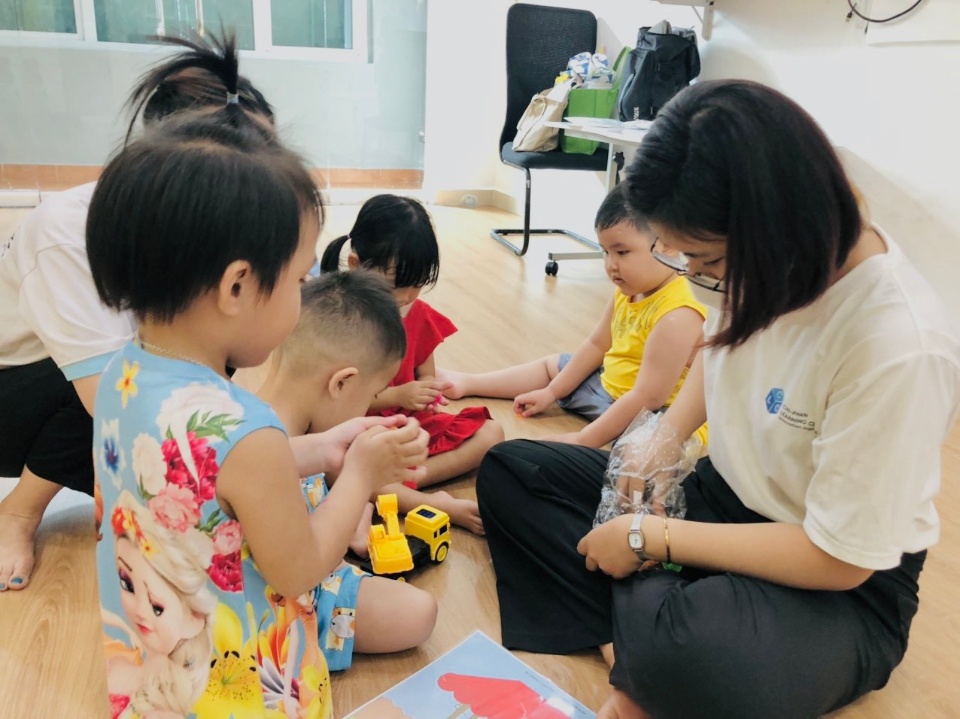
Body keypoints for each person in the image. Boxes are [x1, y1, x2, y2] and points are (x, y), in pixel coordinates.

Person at [476, 79, 960, 719]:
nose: (699, 277)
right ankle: (640, 645)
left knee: (698, 655)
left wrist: (649, 538)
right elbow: (722, 347)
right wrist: (663, 437)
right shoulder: (774, 262)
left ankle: (639, 640)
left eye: (705, 261)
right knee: (515, 469)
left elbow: (840, 560)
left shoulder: (898, 345)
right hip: (717, 499)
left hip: (834, 581)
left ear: (771, 231)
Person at [87, 48, 435, 718]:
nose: (303, 296)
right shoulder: (248, 428)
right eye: (300, 278)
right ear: (238, 287)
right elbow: (299, 567)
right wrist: (359, 476)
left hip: (159, 680)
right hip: (244, 692)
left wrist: (324, 449)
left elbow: (196, 478)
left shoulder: (122, 374)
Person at [0, 35, 273, 593]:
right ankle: (19, 511)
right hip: (21, 390)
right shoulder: (65, 232)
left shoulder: (197, 232)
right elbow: (114, 402)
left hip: (88, 382)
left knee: (194, 347)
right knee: (127, 385)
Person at [439, 184, 708, 449]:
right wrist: (552, 392)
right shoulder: (630, 288)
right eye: (605, 252)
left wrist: (584, 439)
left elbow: (648, 397)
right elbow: (597, 344)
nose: (611, 265)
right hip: (606, 389)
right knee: (553, 365)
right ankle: (470, 382)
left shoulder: (679, 313)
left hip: (648, 414)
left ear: (668, 244)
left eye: (622, 252)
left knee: (648, 447)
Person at [320, 194, 503, 535]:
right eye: (396, 286)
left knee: (491, 433)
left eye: (417, 285)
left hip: (408, 429)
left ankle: (397, 485)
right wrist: (397, 396)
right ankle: (426, 501)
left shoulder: (418, 315)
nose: (406, 297)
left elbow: (426, 376)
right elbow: (337, 406)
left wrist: (428, 395)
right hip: (361, 430)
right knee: (337, 467)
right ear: (357, 265)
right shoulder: (343, 322)